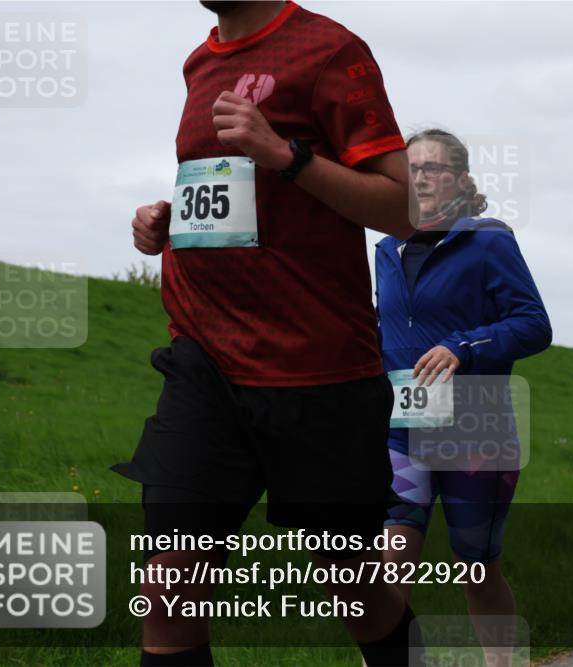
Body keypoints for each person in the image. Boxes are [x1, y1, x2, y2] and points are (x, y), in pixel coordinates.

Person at [114, 2, 421, 665]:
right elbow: (228, 193)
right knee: (171, 584)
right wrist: (166, 225)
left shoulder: (330, 50)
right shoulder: (199, 62)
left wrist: (287, 155)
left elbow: (401, 209)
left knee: (355, 586)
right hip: (206, 360)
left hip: (317, 371)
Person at [374, 129, 552, 664]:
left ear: (462, 180)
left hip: (476, 430)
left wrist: (463, 347)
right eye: (413, 169)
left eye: (434, 168)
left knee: (475, 565)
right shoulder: (387, 246)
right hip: (403, 428)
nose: (421, 177)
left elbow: (534, 324)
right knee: (391, 560)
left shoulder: (488, 239)